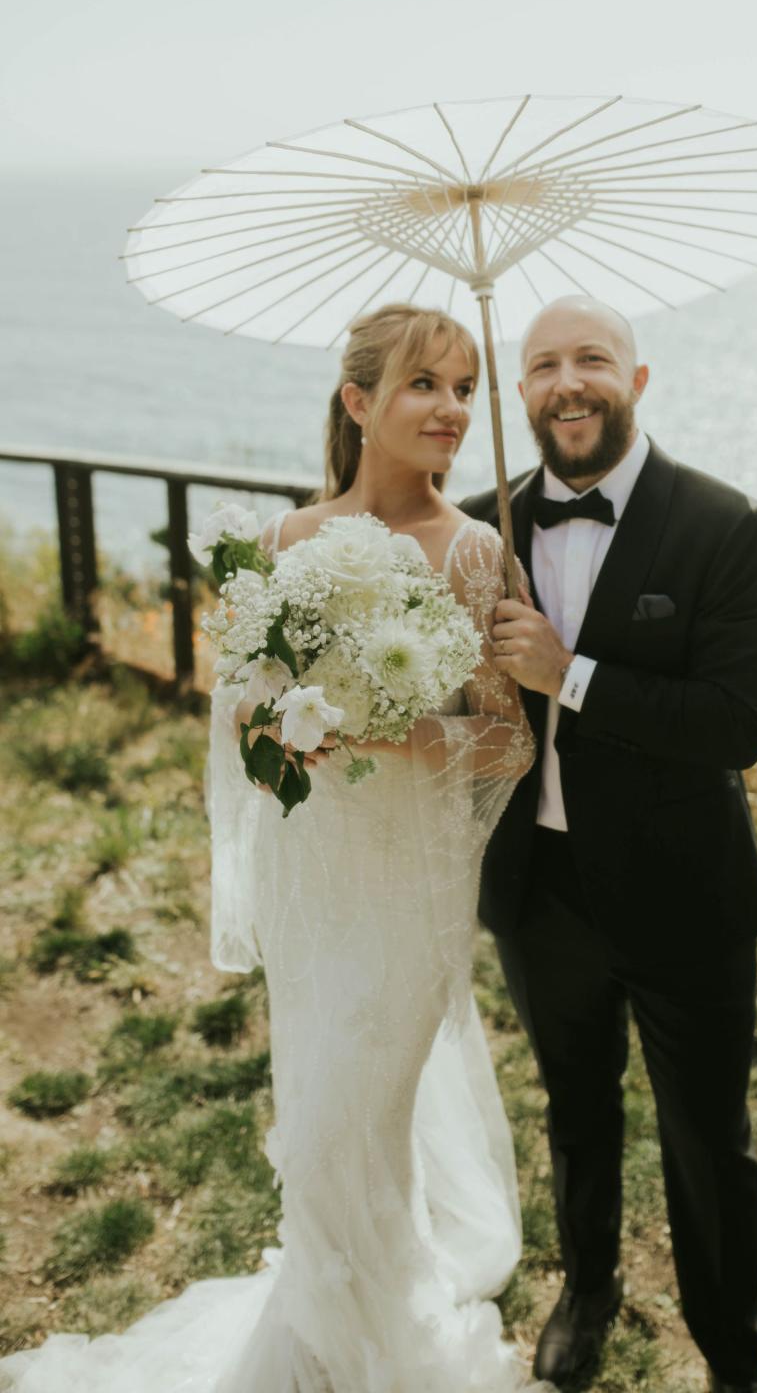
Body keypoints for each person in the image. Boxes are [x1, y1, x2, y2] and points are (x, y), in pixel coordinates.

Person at [0, 305, 546, 1393]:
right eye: (423, 385)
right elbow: (249, 737)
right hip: (317, 878)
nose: (451, 410)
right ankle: (331, 1321)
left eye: (465, 388)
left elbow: (509, 740)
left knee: (360, 1109)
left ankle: (356, 1349)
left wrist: (398, 725)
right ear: (358, 402)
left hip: (411, 890)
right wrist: (291, 725)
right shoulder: (292, 547)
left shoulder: (477, 550)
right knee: (315, 1109)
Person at [460, 295, 757, 1393]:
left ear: (636, 381)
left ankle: (730, 1353)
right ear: (522, 394)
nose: (568, 382)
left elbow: (737, 725)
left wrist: (573, 675)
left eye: (592, 358)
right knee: (575, 1108)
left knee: (709, 1142)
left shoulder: (728, 526)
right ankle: (587, 1287)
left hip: (684, 898)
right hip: (538, 891)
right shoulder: (476, 530)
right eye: (544, 364)